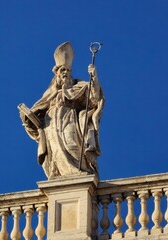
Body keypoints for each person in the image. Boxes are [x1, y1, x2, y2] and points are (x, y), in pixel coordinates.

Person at [19, 42, 104, 179]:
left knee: (72, 147)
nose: (65, 73)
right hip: (51, 124)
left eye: (67, 70)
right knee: (56, 151)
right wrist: (28, 118)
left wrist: (94, 78)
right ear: (57, 73)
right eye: (62, 70)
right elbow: (38, 108)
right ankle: (59, 174)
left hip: (69, 119)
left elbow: (95, 99)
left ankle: (78, 172)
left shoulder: (78, 86)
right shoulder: (50, 92)